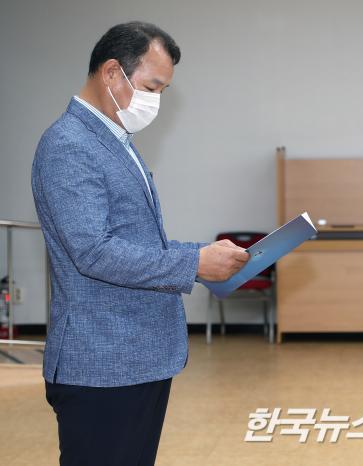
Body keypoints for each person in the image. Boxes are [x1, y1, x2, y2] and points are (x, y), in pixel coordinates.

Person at [31, 21, 249, 466]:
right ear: (112, 72)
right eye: (152, 87)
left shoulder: (114, 140)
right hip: (102, 364)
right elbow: (93, 251)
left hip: (136, 358)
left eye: (163, 91)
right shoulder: (69, 145)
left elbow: (136, 240)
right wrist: (193, 264)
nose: (156, 102)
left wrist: (203, 256)